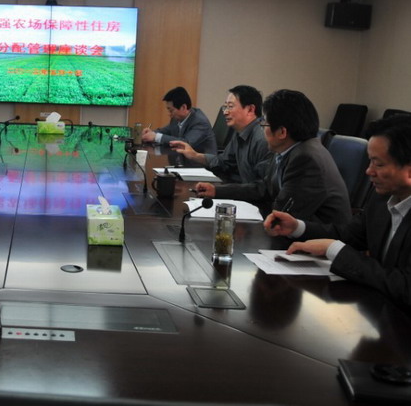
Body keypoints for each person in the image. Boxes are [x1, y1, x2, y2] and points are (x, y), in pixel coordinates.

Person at [265, 115, 410, 307]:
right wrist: (297, 227)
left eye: (379, 164)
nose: (369, 171)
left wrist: (334, 250)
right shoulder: (381, 198)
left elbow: (405, 287)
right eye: (369, 162)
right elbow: (349, 233)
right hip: (378, 309)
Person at [196, 89, 351, 225]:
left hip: (319, 241)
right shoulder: (290, 150)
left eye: (265, 125)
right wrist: (217, 191)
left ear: (282, 132)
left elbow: (282, 218)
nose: (263, 131)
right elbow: (263, 188)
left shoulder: (305, 159)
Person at [171, 84, 271, 183]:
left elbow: (261, 187)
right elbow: (223, 162)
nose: (225, 112)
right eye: (225, 107)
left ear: (250, 110)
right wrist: (195, 155)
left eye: (230, 106)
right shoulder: (240, 133)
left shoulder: (263, 138)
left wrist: (218, 190)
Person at [141, 86, 216, 153]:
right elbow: (165, 131)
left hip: (201, 163)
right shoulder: (177, 118)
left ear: (183, 107)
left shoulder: (200, 122)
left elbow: (185, 143)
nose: (169, 114)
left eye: (171, 110)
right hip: (182, 159)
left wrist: (156, 137)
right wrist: (150, 133)